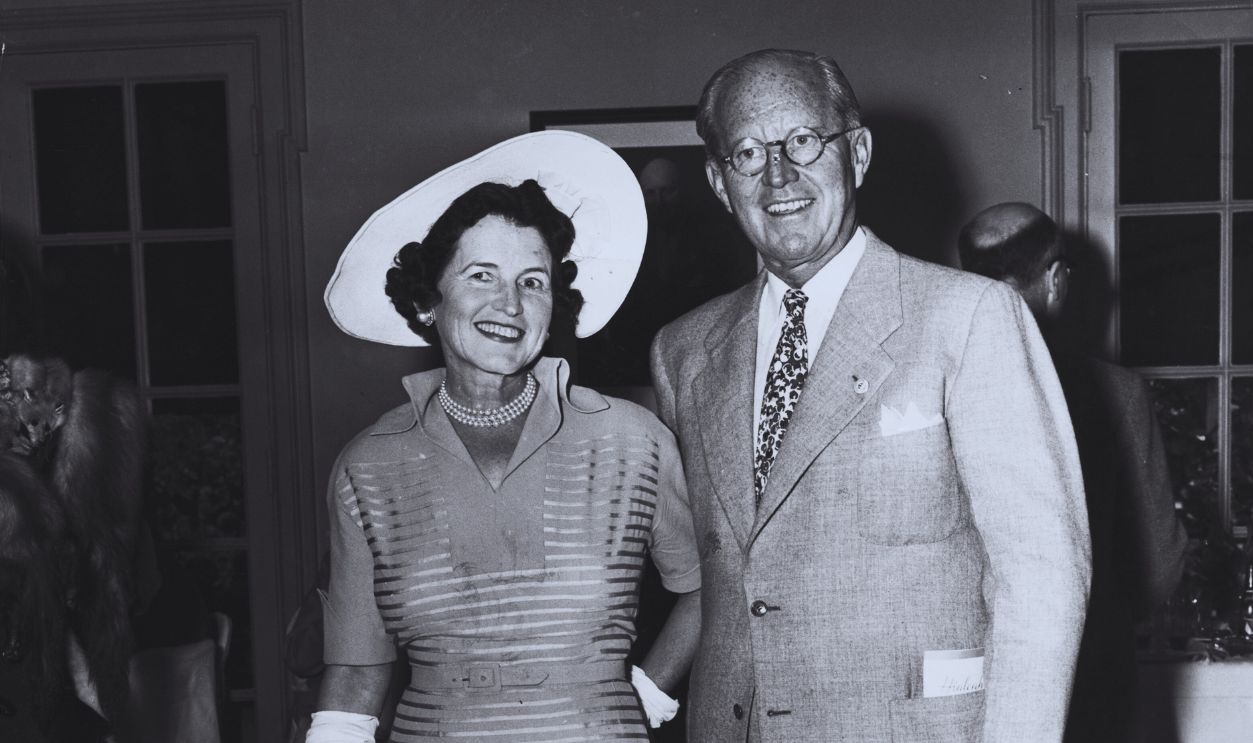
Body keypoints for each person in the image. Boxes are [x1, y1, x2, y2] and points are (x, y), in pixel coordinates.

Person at [649, 49, 1091, 742]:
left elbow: (1042, 580)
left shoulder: (966, 316)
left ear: (854, 154)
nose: (778, 176)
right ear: (716, 180)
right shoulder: (682, 351)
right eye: (746, 152)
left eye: (802, 141)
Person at [313, 131, 701, 742]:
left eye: (532, 282)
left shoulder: (632, 440)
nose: (510, 305)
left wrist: (645, 694)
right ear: (426, 302)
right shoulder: (369, 466)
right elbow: (357, 668)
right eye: (481, 276)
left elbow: (712, 587)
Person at [958, 202, 1187, 743]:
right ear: (1057, 281)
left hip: (967, 680)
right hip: (1092, 676)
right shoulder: (1118, 395)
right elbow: (1159, 561)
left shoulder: (939, 394)